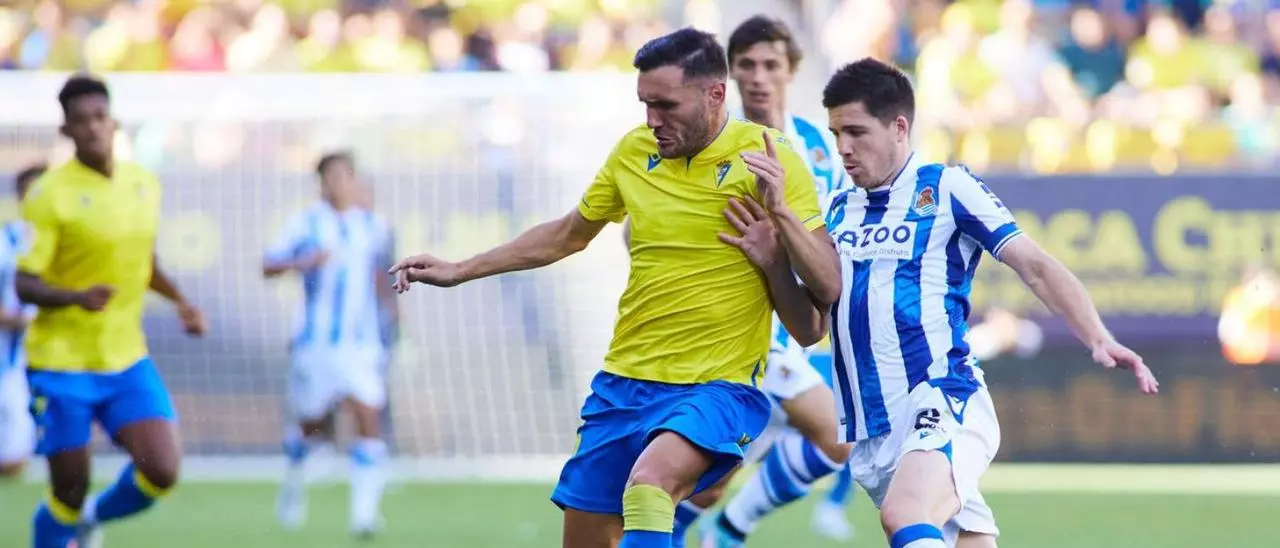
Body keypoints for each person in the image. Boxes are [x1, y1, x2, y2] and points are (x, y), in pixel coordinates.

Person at [389, 28, 841, 548]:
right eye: (645, 103)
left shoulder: (769, 158)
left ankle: (729, 530)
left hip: (718, 385)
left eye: (666, 105)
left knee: (650, 486)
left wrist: (780, 222)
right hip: (624, 384)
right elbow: (566, 234)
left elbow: (824, 292)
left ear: (715, 94)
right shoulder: (633, 151)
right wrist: (460, 269)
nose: (652, 119)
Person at [729, 58, 1159, 548]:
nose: (843, 148)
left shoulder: (947, 187)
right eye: (836, 134)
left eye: (856, 132)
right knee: (958, 538)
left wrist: (1098, 337)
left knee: (905, 514)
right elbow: (811, 328)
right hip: (873, 429)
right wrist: (774, 265)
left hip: (942, 398)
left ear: (899, 127)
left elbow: (1035, 265)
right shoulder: (838, 210)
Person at [658, 15, 854, 548]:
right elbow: (642, 228)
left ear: (791, 70)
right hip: (734, 327)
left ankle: (685, 534)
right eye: (747, 65)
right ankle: (727, 533)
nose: (759, 77)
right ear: (731, 74)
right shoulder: (712, 140)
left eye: (771, 64)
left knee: (708, 485)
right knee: (838, 435)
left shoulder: (817, 146)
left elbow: (831, 231)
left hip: (791, 326)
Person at [20, 75, 208, 548]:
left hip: (125, 358)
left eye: (99, 117)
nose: (92, 128)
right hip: (61, 363)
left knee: (161, 470)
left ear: (114, 121)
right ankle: (66, 522)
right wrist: (76, 297)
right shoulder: (49, 194)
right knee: (68, 490)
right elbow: (24, 282)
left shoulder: (143, 184)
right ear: (66, 130)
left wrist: (181, 301)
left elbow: (145, 262)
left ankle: (91, 520)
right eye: (81, 121)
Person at [264, 151, 395, 538]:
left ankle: (364, 516)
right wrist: (302, 262)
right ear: (321, 182)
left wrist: (392, 315)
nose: (339, 183)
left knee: (368, 418)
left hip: (361, 344)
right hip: (316, 343)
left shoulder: (373, 225)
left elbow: (381, 275)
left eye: (345, 176)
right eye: (331, 176)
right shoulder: (304, 223)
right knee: (311, 425)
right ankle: (293, 484)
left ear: (354, 180)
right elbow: (268, 265)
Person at [0, 164, 43, 480]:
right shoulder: (5, 241)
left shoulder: (72, 241)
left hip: (50, 359)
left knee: (17, 460)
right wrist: (17, 320)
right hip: (8, 359)